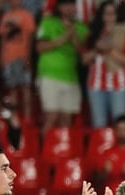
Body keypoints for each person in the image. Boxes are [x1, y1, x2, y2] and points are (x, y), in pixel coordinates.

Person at [36, 0, 88, 129]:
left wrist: (72, 32)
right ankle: (44, 148)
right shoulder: (48, 23)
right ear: (58, 7)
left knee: (67, 119)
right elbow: (40, 47)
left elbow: (82, 52)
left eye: (71, 4)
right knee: (52, 116)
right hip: (50, 75)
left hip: (71, 77)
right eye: (65, 4)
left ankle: (63, 149)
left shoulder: (81, 27)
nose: (68, 7)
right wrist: (65, 36)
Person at [83, 0, 125, 129]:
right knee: (99, 125)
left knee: (120, 125)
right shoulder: (93, 34)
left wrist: (109, 50)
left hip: (119, 85)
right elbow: (84, 59)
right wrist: (97, 50)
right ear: (101, 15)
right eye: (107, 13)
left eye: (113, 13)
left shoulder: (124, 33)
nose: (110, 17)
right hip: (96, 85)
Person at [0, 0, 37, 121]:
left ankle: (27, 118)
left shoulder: (27, 15)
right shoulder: (5, 17)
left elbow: (30, 39)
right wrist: (1, 57)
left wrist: (28, 58)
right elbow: (2, 39)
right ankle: (14, 118)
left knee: (25, 87)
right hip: (8, 57)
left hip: (22, 56)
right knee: (12, 88)